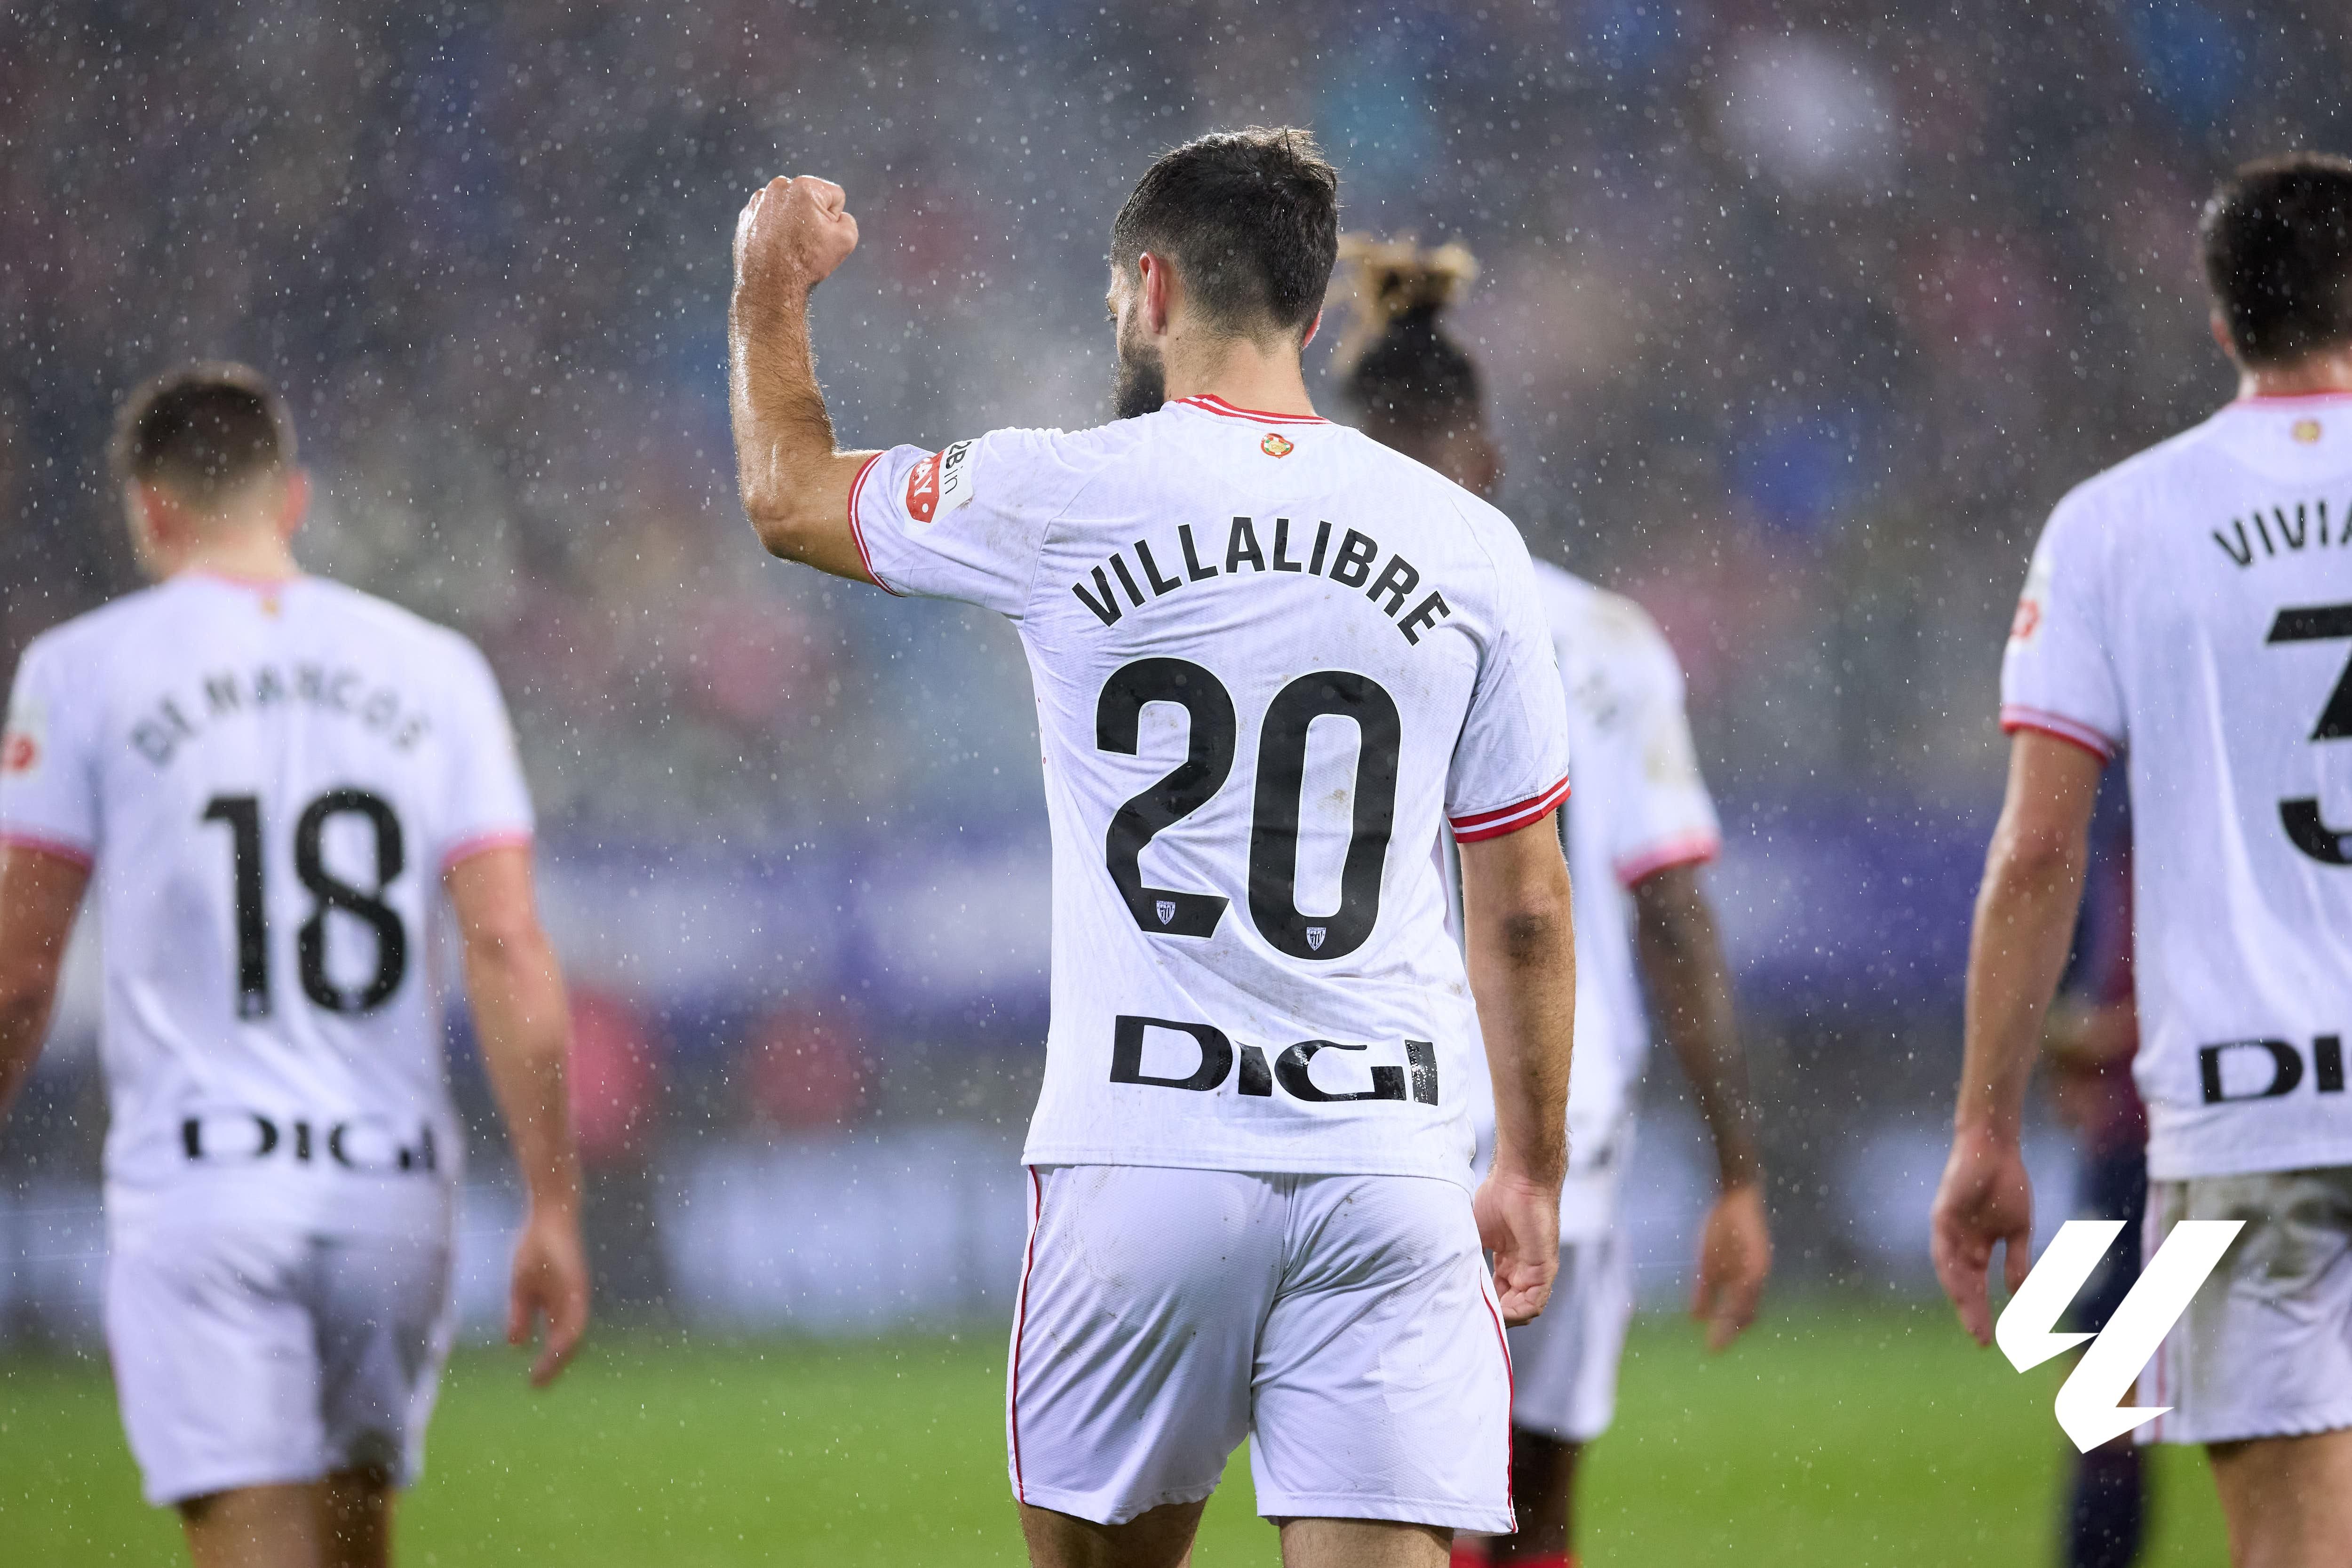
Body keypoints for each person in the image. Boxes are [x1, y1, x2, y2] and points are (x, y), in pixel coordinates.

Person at [729, 130, 1580, 1568]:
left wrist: (769, 283)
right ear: (1316, 315)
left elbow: (788, 491)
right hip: (1385, 1155)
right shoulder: (1468, 545)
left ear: (1150, 285)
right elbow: (1526, 907)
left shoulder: (1056, 490)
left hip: (1145, 1154)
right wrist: (1535, 1164)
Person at [0, 365, 590, 1568]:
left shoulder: (84, 669)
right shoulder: (435, 670)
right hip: (391, 1195)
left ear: (152, 509)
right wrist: (553, 1201)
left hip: (207, 1186)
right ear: (295, 499)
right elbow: (506, 943)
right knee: (351, 1547)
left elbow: (19, 968)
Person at [1931, 153, 2352, 1568]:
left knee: (2290, 1529)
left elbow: (2041, 846)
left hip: (2252, 1109)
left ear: (2222, 317)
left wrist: (1987, 1125)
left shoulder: (2118, 524)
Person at [1328, 237, 1772, 1568]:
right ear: (1489, 458)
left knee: (1392, 1501)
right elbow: (1673, 919)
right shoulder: (1607, 641)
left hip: (1369, 1102)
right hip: (1563, 1113)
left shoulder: (1311, 616)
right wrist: (1739, 1169)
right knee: (1533, 1505)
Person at [2040, 801, 2149, 1568]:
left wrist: (2099, 1037)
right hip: (2124, 1144)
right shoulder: (2117, 821)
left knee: (2106, 1403)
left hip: (2162, 1141)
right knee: (2099, 1397)